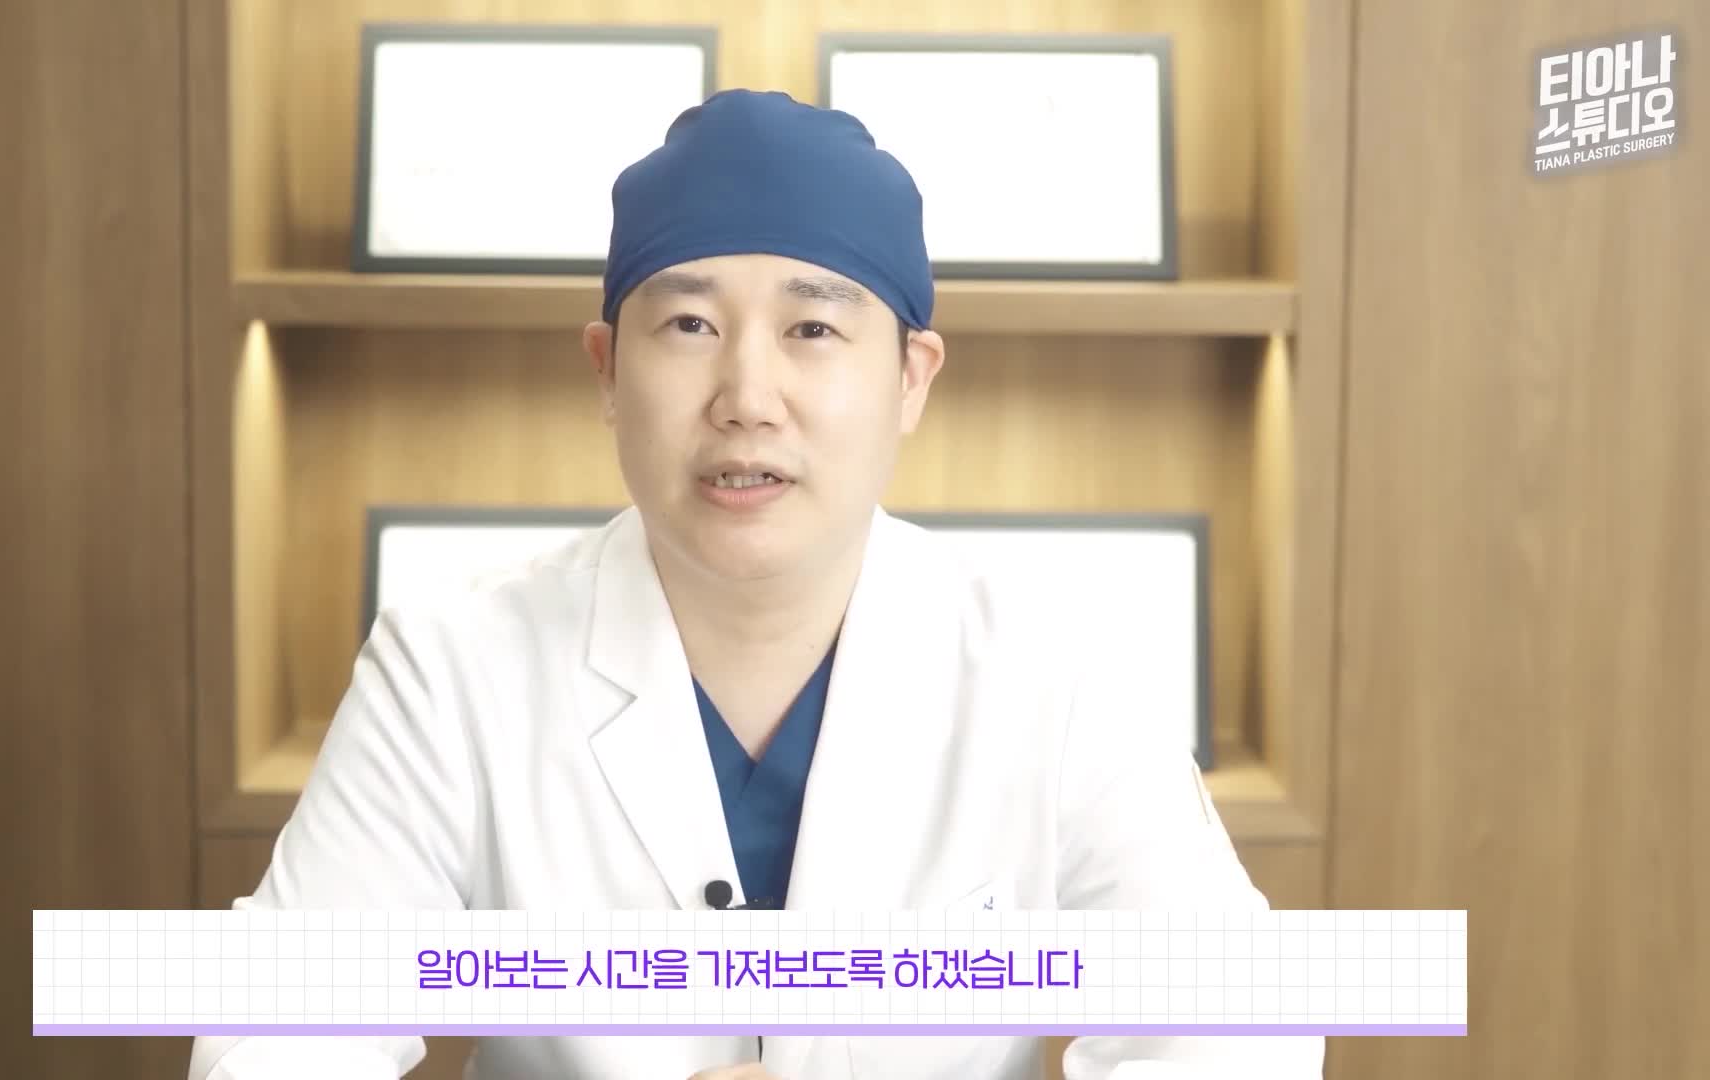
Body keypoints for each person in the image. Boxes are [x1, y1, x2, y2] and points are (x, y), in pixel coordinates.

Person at [187, 89, 1324, 1080]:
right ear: (608, 371)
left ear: (911, 378)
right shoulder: (448, 668)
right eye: (689, 324)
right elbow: (270, 1043)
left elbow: (1236, 1037)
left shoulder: (1057, 673)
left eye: (813, 327)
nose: (746, 396)